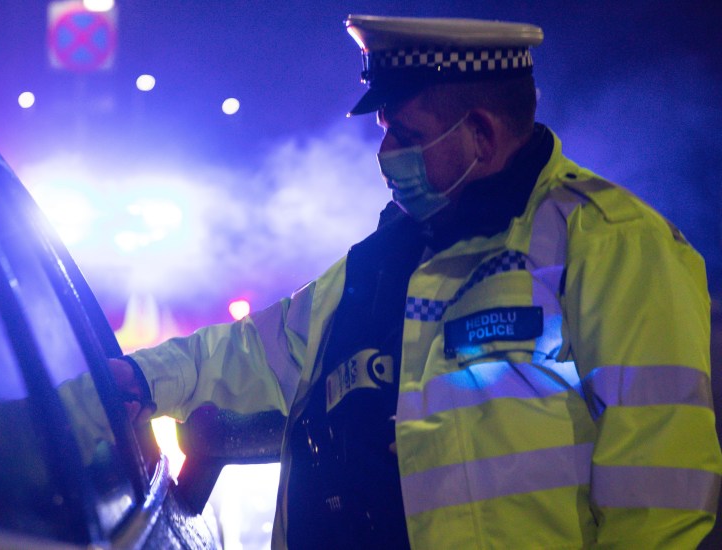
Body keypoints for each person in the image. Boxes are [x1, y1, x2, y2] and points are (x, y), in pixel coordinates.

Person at [110, 15, 722, 549]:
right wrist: (138, 379)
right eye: (383, 130)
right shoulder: (389, 255)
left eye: (406, 135)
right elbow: (254, 356)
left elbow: (659, 492)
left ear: (480, 134)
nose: (385, 154)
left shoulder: (610, 243)